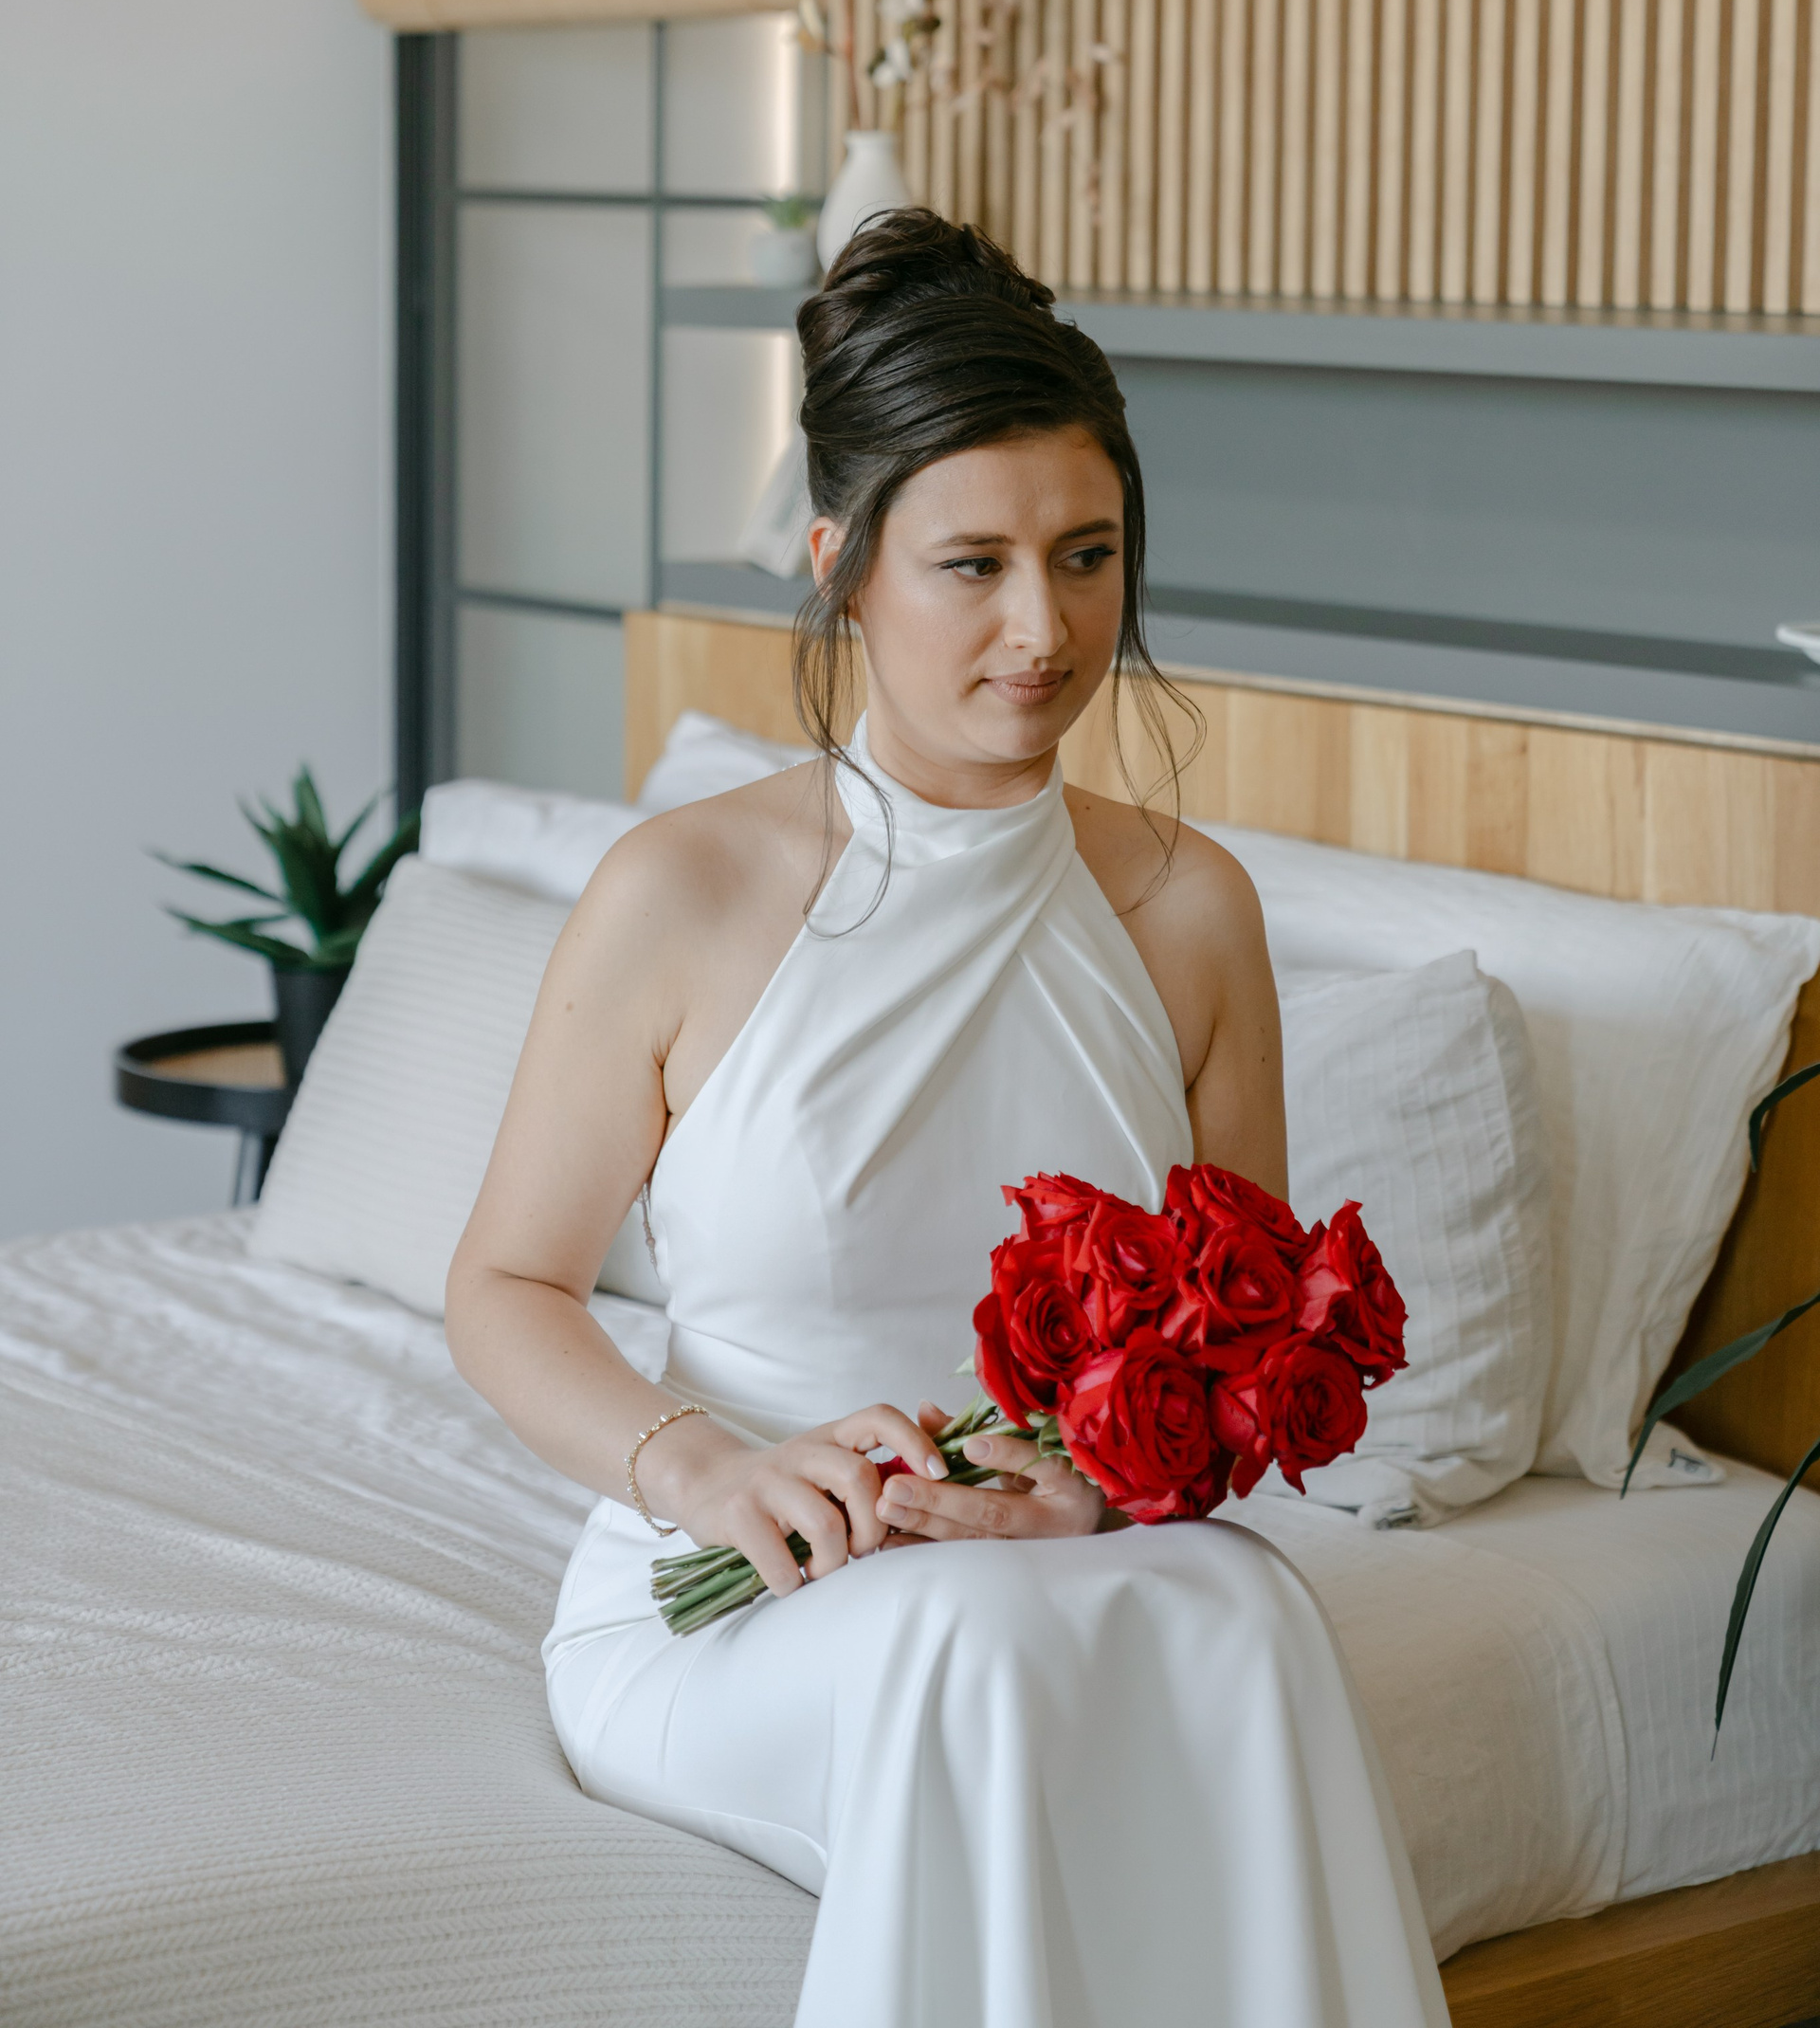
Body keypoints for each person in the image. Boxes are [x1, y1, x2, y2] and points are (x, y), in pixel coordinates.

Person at [446, 210, 1448, 2028]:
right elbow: (506, 1287)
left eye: (1087, 557)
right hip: (740, 1588)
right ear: (840, 566)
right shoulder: (682, 891)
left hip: (1064, 1558)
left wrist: (1108, 1486)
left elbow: (1239, 1353)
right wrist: (710, 1470)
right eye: (972, 565)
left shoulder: (1190, 909)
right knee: (972, 1658)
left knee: (1248, 1615)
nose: (1042, 629)